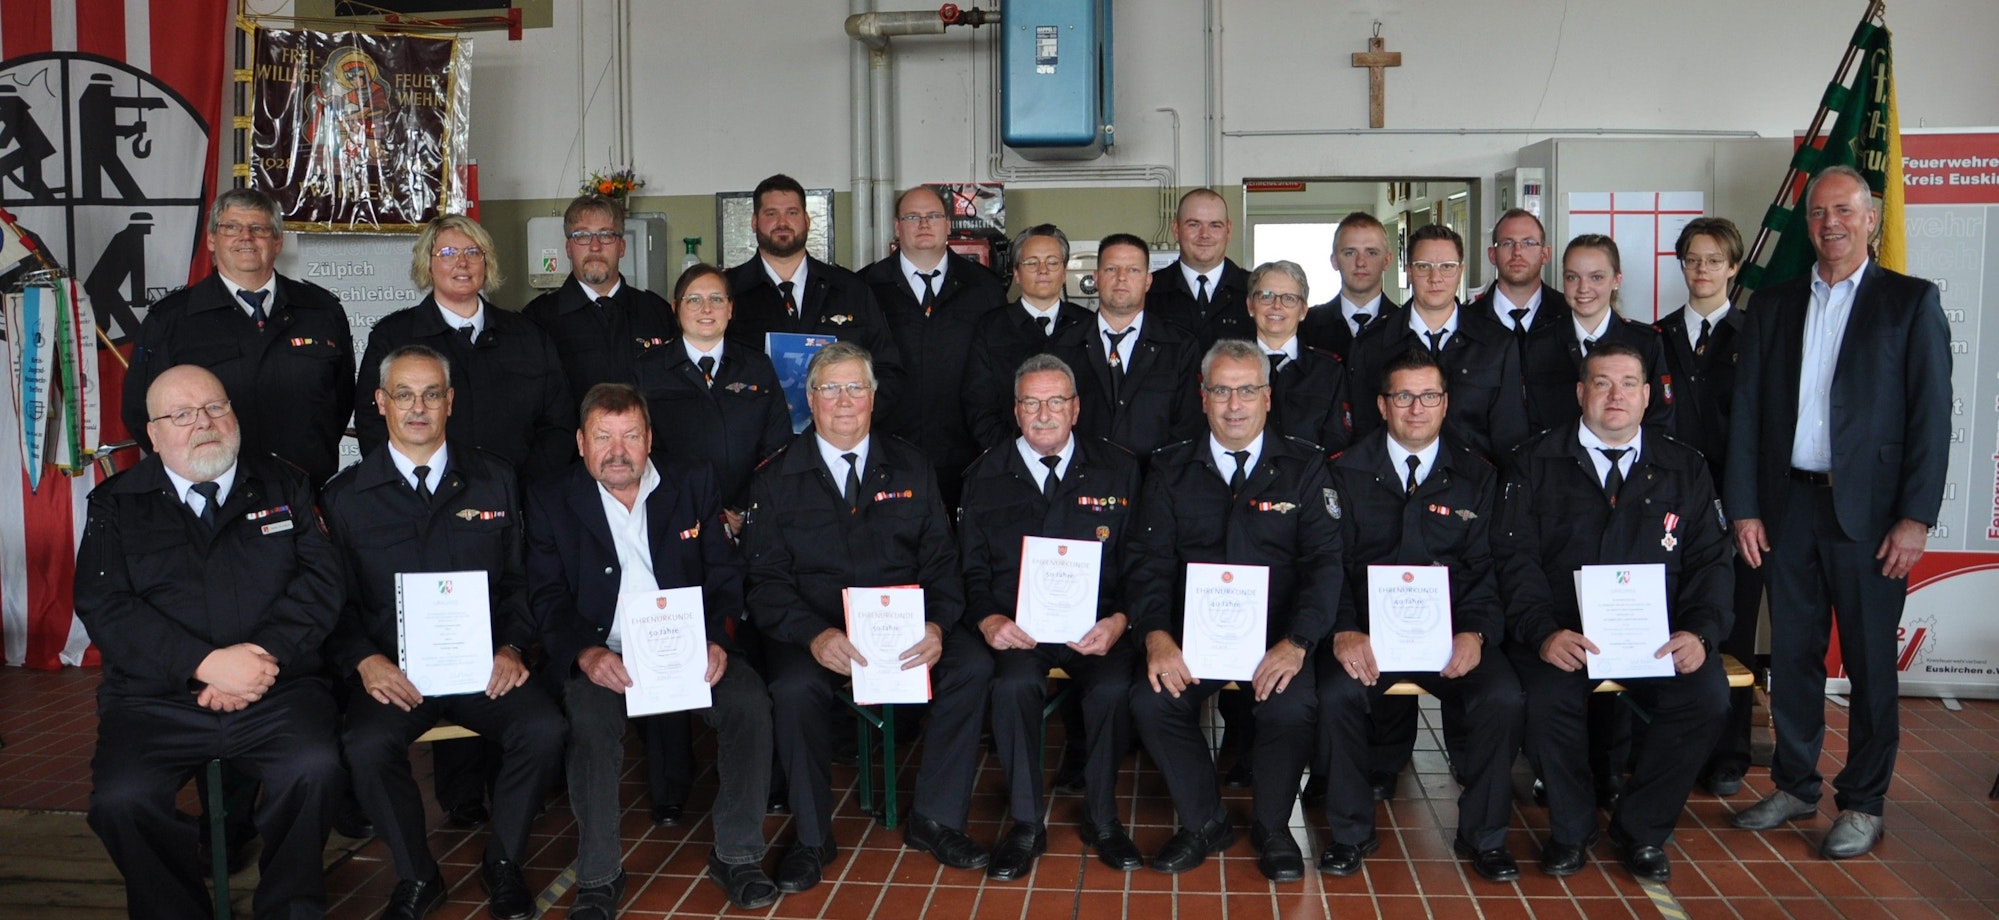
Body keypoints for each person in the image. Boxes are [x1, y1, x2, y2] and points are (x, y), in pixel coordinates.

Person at [1725, 165, 1952, 859]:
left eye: (1844, 211)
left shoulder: (1909, 302)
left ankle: (1863, 802)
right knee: (1792, 655)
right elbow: (1747, 414)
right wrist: (1744, 508)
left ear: (1869, 219)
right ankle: (1795, 785)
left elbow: (1931, 418)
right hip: (1787, 506)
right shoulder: (1772, 304)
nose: (1831, 224)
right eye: (1819, 212)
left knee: (1869, 663)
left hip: (1873, 519)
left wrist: (1915, 518)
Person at [76, 365, 345, 920]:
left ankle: (290, 907)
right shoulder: (116, 503)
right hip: (155, 699)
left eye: (215, 407)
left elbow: (322, 583)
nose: (203, 422)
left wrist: (260, 660)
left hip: (277, 688)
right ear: (153, 434)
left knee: (315, 769)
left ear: (233, 415)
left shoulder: (285, 484)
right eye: (181, 414)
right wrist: (204, 665)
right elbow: (107, 606)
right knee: (122, 802)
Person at [319, 346, 567, 920]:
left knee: (544, 728)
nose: (418, 407)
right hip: (395, 674)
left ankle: (503, 861)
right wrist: (364, 661)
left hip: (483, 667)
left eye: (431, 394)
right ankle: (417, 874)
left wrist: (512, 646)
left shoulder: (494, 478)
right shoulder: (343, 496)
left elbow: (520, 581)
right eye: (403, 395)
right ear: (380, 403)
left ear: (450, 402)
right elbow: (332, 605)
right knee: (365, 746)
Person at [741, 342, 991, 891]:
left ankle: (936, 818)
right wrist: (814, 635)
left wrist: (937, 626)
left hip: (908, 629)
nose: (844, 400)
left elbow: (943, 565)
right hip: (817, 631)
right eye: (830, 388)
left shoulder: (912, 465)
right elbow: (765, 583)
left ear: (874, 398)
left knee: (972, 665)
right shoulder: (775, 478)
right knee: (792, 687)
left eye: (856, 387)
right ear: (810, 399)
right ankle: (812, 838)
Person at [526, 383, 779, 912]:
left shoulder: (691, 481)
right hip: (606, 652)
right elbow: (546, 596)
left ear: (649, 439)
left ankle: (738, 854)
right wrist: (585, 654)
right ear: (580, 442)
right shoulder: (551, 497)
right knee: (590, 724)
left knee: (748, 702)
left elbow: (724, 572)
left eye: (631, 436)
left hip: (690, 645)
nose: (617, 451)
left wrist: (716, 639)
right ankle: (599, 876)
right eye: (603, 437)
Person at [1494, 341, 1732, 882]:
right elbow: (1514, 560)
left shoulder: (1686, 466)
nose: (1615, 396)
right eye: (1602, 383)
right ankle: (1572, 829)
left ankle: (1642, 829)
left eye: (1628, 384)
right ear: (1581, 393)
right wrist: (1543, 632)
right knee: (1542, 698)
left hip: (1658, 639)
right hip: (1563, 634)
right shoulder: (1533, 462)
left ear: (1648, 396)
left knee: (1707, 696)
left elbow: (1712, 564)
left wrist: (1699, 633)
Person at [1126, 339, 1343, 881]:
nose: (1234, 404)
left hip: (1277, 637)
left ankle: (1273, 828)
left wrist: (1298, 643)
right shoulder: (1170, 467)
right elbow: (1148, 562)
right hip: (1191, 636)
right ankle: (1205, 821)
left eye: (1247, 390)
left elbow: (1324, 565)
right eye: (1221, 391)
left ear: (1267, 397)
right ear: (1203, 397)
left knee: (1291, 706)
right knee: (1151, 701)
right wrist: (1156, 636)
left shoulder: (1304, 466)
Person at [1318, 348, 1524, 882]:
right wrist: (1343, 630)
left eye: (1429, 396)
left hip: (1450, 636)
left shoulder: (1477, 475)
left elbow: (1486, 568)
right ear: (1382, 405)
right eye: (1404, 396)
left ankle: (1484, 836)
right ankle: (1349, 833)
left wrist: (1476, 633)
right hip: (1368, 637)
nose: (1417, 409)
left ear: (1445, 403)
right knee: (1334, 694)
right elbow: (1328, 564)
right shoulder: (1343, 471)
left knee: (1502, 696)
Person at [958, 353, 1142, 881]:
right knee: (1012, 687)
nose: (1044, 414)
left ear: (1075, 408)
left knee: (1112, 689)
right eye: (1031, 403)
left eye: (1055, 402)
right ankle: (1025, 824)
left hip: (1099, 628)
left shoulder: (1118, 468)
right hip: (1020, 631)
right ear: (1016, 410)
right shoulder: (984, 474)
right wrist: (988, 620)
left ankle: (1103, 819)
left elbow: (1142, 562)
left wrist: (1121, 620)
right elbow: (967, 568)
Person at [628, 262, 790, 828]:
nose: (705, 309)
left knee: (755, 650)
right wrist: (699, 512)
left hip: (748, 528)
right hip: (674, 529)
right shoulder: (648, 370)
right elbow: (640, 451)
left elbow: (777, 447)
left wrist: (743, 511)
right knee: (671, 643)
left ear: (731, 309)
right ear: (676, 309)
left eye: (716, 299)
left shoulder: (756, 367)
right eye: (694, 299)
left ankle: (767, 780)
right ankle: (671, 787)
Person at [123, 187, 355, 487]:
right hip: (215, 494)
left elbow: (341, 401)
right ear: (211, 240)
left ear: (278, 241)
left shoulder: (322, 310)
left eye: (258, 228)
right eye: (231, 228)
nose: (246, 237)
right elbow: (141, 412)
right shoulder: (170, 320)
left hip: (307, 489)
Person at [1654, 217, 1760, 797]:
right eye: (1693, 259)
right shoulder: (1656, 336)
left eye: (1715, 260)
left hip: (1737, 508)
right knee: (1666, 622)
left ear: (1734, 267)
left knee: (1731, 628)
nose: (1703, 270)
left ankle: (1729, 752)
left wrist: (1748, 507)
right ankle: (1663, 745)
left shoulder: (1756, 336)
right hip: (1666, 505)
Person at [355, 215, 575, 486]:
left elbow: (558, 423)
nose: (462, 262)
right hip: (425, 499)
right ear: (427, 264)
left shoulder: (528, 335)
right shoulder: (393, 337)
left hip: (519, 496)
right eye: (448, 253)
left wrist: (519, 488)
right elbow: (372, 423)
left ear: (486, 262)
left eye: (473, 252)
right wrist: (413, 490)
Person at [863, 184, 1009, 508]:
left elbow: (998, 375)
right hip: (886, 452)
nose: (923, 224)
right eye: (912, 217)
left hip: (968, 456)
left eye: (932, 216)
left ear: (948, 224)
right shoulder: (865, 287)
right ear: (897, 226)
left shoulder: (985, 288)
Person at [724, 174, 904, 421]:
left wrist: (850, 420)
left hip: (838, 435)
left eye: (792, 212)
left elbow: (887, 370)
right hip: (753, 435)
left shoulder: (850, 289)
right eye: (771, 213)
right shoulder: (726, 293)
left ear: (807, 220)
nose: (782, 222)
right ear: (754, 222)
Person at [1346, 224, 1526, 458]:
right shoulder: (1370, 345)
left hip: (1475, 477)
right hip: (1393, 478)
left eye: (1446, 267)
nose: (1435, 278)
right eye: (1424, 267)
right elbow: (1364, 434)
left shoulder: (1497, 343)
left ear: (1460, 271)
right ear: (1409, 271)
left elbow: (1510, 436)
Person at [1049, 233, 1204, 463]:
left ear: (1148, 281)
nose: (1121, 278)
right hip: (1082, 476)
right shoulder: (1062, 346)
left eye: (1133, 270)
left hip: (1156, 478)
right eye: (1111, 269)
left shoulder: (1180, 346)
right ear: (1096, 278)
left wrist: (1158, 477)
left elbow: (1188, 426)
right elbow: (1053, 420)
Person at [523, 193, 679, 401]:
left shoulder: (656, 312)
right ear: (568, 248)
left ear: (621, 247)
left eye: (606, 235)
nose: (595, 246)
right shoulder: (538, 318)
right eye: (582, 236)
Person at [964, 224, 1095, 450]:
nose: (1043, 270)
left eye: (1052, 262)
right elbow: (979, 406)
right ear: (1016, 273)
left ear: (1064, 272)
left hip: (1079, 459)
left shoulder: (1088, 325)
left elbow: (1097, 404)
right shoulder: (990, 327)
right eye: (1032, 263)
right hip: (1009, 457)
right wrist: (1017, 455)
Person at [1547, 235, 1674, 433]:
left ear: (1616, 280)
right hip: (1554, 452)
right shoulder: (1539, 342)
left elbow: (1660, 422)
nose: (1583, 288)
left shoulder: (1645, 342)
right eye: (1572, 277)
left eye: (1596, 277)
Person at [1465, 208, 1567, 415]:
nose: (1517, 252)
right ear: (1492, 255)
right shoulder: (1466, 323)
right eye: (1507, 243)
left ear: (1545, 254)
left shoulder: (1568, 317)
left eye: (1528, 243)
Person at [1246, 260, 1351, 453]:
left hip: (1310, 472)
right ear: (1250, 306)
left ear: (1303, 310)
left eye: (1289, 298)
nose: (1277, 306)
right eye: (1266, 296)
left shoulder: (1328, 371)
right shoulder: (1227, 368)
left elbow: (1337, 443)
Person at [1146, 189, 1252, 347]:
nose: (1204, 234)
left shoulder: (1254, 290)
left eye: (1215, 225)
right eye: (1194, 225)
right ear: (1176, 229)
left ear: (1228, 230)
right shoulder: (1148, 292)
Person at [1301, 211, 1403, 361]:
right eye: (1350, 253)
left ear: (1387, 261)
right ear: (1334, 261)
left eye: (1371, 253)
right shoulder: (1306, 325)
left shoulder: (1406, 325)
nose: (1360, 262)